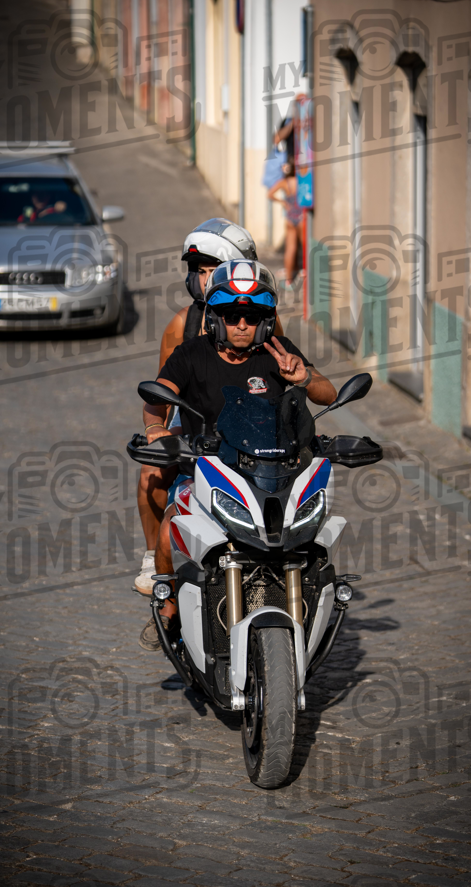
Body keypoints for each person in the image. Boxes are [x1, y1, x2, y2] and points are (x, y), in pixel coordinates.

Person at [138, 259, 337, 650]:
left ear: (265, 320)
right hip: (208, 469)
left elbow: (327, 394)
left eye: (252, 317)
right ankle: (171, 605)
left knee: (313, 536)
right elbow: (157, 397)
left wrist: (305, 378)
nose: (242, 325)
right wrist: (155, 429)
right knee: (167, 531)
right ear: (216, 318)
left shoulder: (278, 353)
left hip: (272, 471)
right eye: (232, 316)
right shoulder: (191, 354)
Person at [135, 218, 282, 594]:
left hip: (252, 430)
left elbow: (281, 376)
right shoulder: (182, 325)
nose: (201, 280)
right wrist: (158, 431)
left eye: (210, 270)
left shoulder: (263, 319)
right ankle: (155, 561)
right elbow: (164, 395)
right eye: (197, 271)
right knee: (150, 472)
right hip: (198, 426)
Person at [268, 156, 303, 291]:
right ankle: (305, 272)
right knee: (305, 246)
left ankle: (289, 281)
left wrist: (283, 202)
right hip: (302, 216)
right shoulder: (301, 181)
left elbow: (270, 194)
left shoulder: (284, 182)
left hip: (290, 218)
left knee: (290, 248)